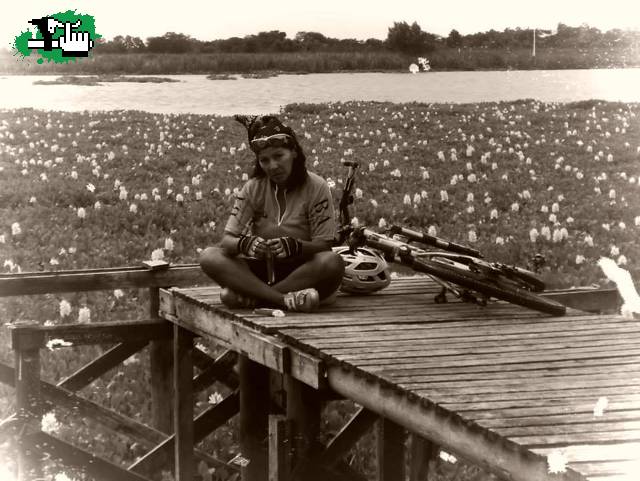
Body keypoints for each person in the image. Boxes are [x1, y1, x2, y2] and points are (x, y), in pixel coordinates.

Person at [199, 114, 345, 312]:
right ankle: (283, 300)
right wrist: (246, 244)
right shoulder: (253, 187)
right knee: (209, 256)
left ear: (293, 152)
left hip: (302, 270)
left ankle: (255, 298)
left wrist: (294, 246)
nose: (272, 166)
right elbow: (226, 242)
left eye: (278, 156)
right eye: (264, 160)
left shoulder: (317, 186)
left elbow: (323, 245)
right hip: (262, 269)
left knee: (332, 262)